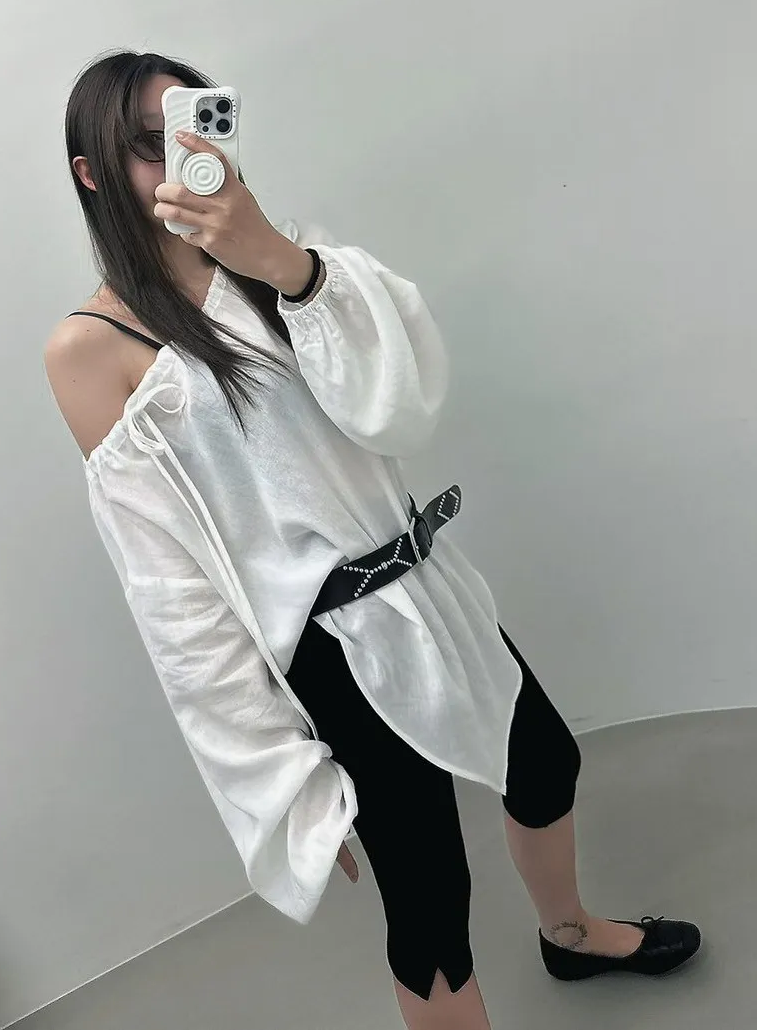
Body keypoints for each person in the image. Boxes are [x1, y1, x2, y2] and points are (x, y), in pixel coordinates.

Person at [44, 50, 701, 1029]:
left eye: (192, 125)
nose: (177, 156)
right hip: (326, 641)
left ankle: (568, 935)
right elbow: (171, 592)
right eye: (146, 143)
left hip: (424, 577)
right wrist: (277, 768)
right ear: (91, 171)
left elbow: (397, 411)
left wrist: (285, 264)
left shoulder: (285, 257)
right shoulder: (91, 349)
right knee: (427, 888)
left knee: (544, 763)